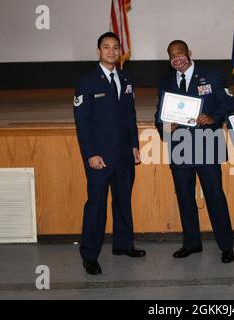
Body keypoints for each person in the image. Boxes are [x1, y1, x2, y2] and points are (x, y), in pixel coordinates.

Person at [155, 40, 234, 263]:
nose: (177, 58)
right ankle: (191, 244)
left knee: (215, 197)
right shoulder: (165, 81)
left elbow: (228, 103)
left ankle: (226, 246)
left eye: (180, 52)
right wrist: (165, 126)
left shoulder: (211, 74)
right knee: (184, 198)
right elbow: (158, 116)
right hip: (179, 146)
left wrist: (213, 118)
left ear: (189, 53)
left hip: (207, 143)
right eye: (172, 55)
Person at [73, 32, 145, 275]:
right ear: (98, 51)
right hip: (100, 157)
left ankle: (123, 245)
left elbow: (130, 115)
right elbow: (82, 122)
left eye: (115, 47)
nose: (111, 51)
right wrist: (90, 154)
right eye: (106, 47)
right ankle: (89, 255)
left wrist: (135, 145)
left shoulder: (125, 78)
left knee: (123, 202)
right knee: (96, 206)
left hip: (124, 154)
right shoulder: (87, 81)